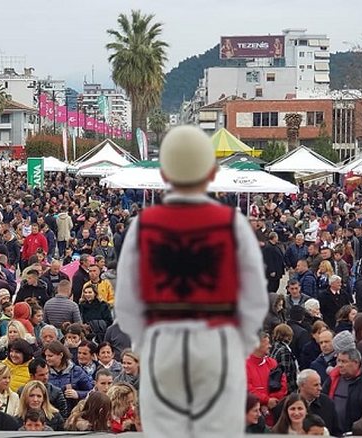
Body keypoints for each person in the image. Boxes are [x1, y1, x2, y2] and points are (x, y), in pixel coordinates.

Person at [114, 126, 268, 437]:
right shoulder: (233, 224)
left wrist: (145, 342)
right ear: (211, 173)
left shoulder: (143, 226)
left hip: (163, 344)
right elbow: (255, 299)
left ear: (165, 175)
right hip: (218, 344)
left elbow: (127, 303)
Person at [323, 348, 362, 434]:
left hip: (356, 432)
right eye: (338, 361)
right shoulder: (333, 378)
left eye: (344, 362)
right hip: (333, 431)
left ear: (356, 363)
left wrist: (359, 429)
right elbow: (323, 400)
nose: (340, 365)